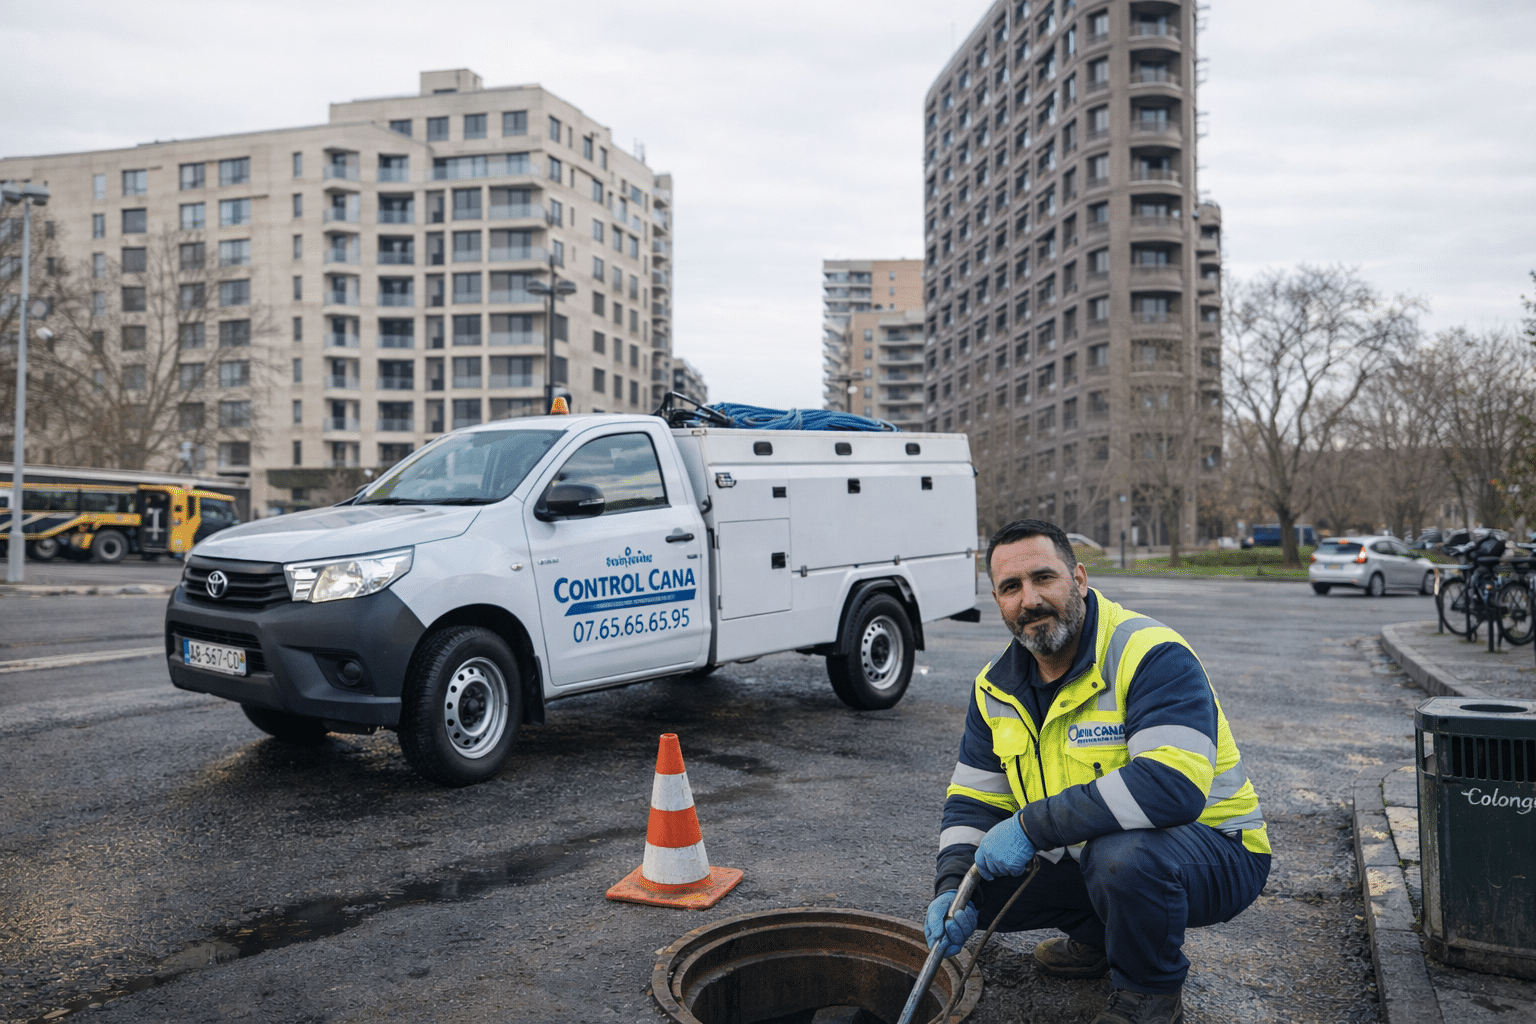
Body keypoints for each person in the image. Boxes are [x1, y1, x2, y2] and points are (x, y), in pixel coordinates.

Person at [925, 519, 1271, 1024]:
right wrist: (951, 884)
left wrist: (1029, 826)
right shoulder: (993, 687)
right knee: (979, 892)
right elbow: (972, 800)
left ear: (1080, 579)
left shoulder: (1150, 653)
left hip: (1219, 850)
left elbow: (1171, 787)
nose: (1030, 599)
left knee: (1121, 858)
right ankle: (1104, 938)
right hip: (1101, 856)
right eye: (1011, 588)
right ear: (998, 601)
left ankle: (1148, 996)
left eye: (1044, 578)